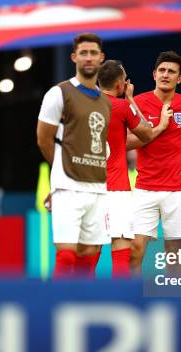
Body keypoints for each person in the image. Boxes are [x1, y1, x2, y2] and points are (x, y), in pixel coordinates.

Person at [36, 32, 110, 277]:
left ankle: (82, 304)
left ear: (101, 58)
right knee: (66, 254)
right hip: (67, 187)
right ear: (74, 57)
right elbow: (43, 138)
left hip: (98, 188)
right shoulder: (59, 93)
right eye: (83, 53)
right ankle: (55, 308)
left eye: (93, 53)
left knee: (89, 256)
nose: (88, 58)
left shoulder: (106, 102)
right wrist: (60, 172)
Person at [97, 59, 172, 277]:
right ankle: (120, 297)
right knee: (121, 246)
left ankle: (80, 297)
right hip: (116, 188)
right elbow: (146, 133)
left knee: (89, 249)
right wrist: (130, 98)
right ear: (120, 84)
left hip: (89, 188)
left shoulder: (85, 106)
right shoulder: (121, 106)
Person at [130, 51, 181, 273]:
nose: (165, 75)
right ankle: (134, 299)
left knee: (175, 252)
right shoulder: (139, 103)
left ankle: (175, 300)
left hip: (179, 190)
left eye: (171, 71)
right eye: (162, 70)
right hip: (145, 188)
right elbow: (123, 143)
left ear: (179, 78)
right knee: (135, 249)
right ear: (154, 74)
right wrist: (156, 128)